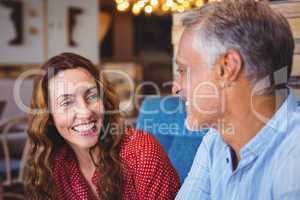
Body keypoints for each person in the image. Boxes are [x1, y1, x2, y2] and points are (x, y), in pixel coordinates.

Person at [173, 0, 300, 199]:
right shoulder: (216, 141)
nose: (176, 87)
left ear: (227, 68)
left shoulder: (294, 157)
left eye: (182, 70)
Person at [24, 52, 180, 200]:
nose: (85, 112)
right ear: (49, 117)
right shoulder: (53, 165)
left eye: (91, 96)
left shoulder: (141, 151)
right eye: (67, 102)